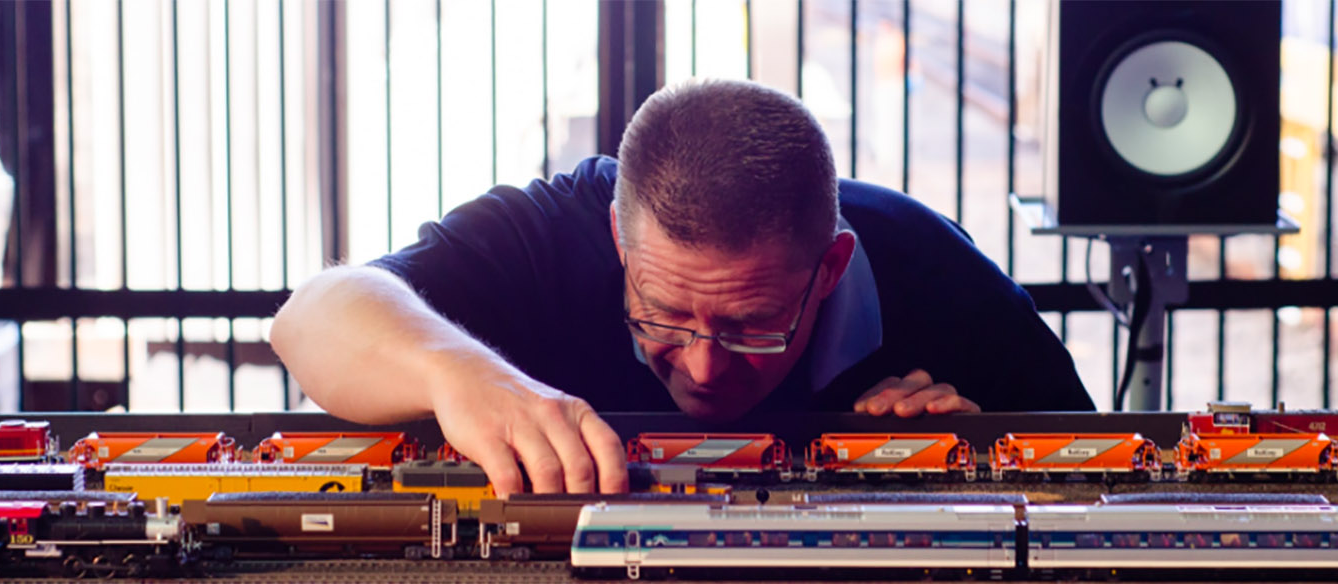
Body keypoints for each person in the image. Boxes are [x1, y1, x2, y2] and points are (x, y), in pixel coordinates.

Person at [270, 79, 1094, 498]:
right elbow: (309, 319)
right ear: (619, 240)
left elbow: (1111, 487)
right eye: (662, 316)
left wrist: (986, 463)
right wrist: (466, 378)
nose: (703, 369)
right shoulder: (551, 227)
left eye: (753, 326)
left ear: (832, 268)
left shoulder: (939, 275)